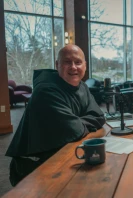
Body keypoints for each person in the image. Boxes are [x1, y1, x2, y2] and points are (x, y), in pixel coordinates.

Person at [6, 44, 105, 186]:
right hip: (32, 167)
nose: (73, 67)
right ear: (57, 65)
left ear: (85, 65)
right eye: (67, 62)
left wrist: (76, 122)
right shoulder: (45, 91)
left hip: (62, 155)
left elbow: (99, 117)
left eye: (78, 62)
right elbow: (74, 130)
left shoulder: (82, 86)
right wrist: (80, 123)